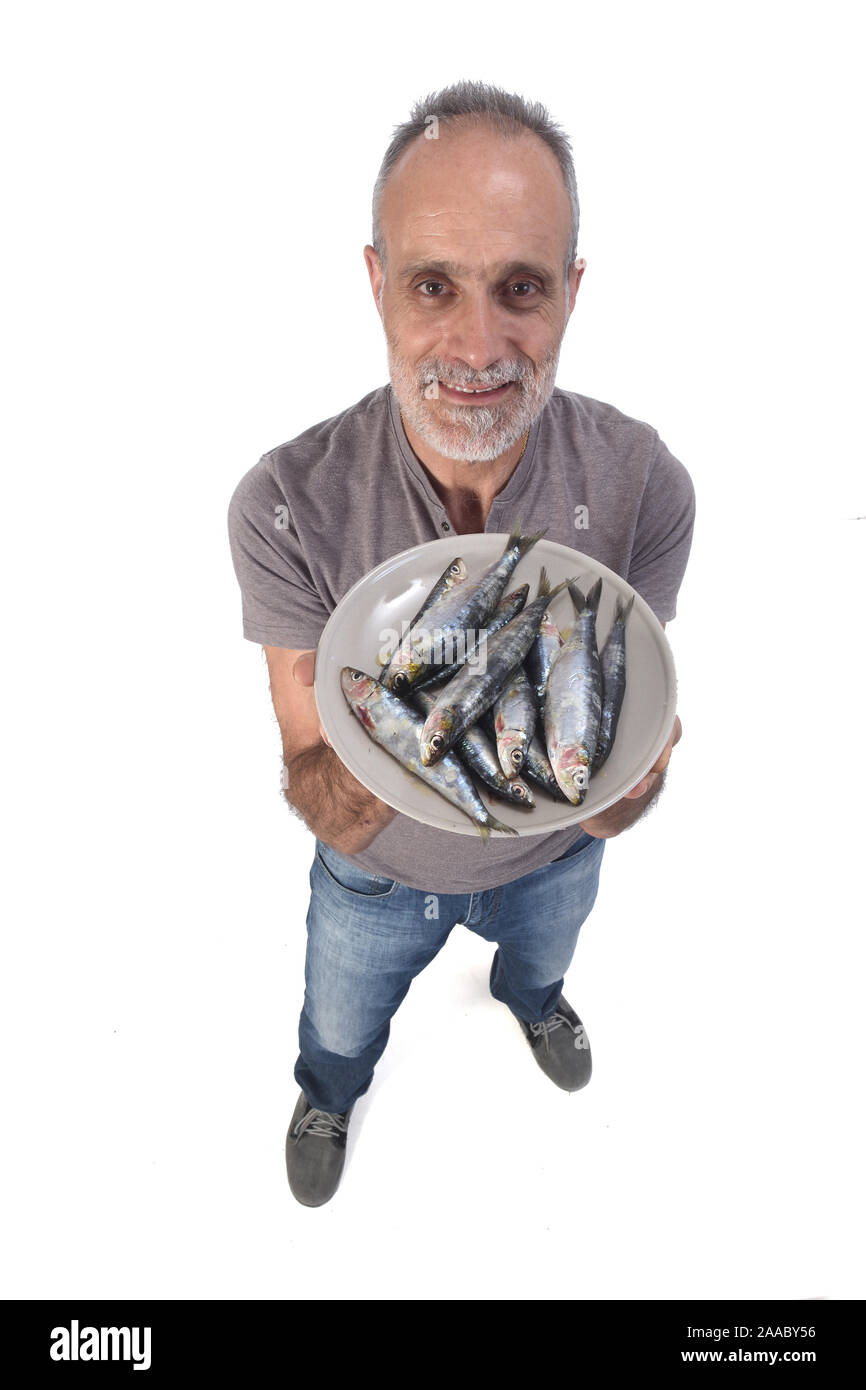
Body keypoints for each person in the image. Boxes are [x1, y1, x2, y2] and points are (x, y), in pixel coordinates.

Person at [227, 80, 695, 1208]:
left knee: (545, 953)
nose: (477, 344)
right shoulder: (284, 504)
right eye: (433, 284)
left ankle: (532, 996)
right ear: (377, 282)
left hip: (550, 862)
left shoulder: (646, 486)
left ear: (571, 293)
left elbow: (611, 723)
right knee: (338, 1019)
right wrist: (396, 741)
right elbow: (313, 769)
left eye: (520, 287)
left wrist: (627, 782)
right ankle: (330, 1087)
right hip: (372, 879)